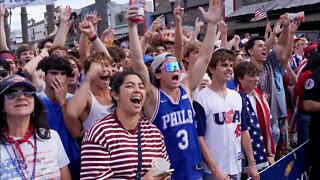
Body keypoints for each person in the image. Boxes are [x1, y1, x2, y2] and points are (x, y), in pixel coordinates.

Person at [128, 0, 222, 179]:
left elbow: (204, 58)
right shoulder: (153, 97)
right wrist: (133, 28)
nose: (176, 71)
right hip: (166, 173)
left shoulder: (186, 89)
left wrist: (212, 25)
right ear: (157, 75)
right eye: (170, 68)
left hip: (193, 169)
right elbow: (138, 63)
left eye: (177, 67)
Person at [81, 71, 170, 179]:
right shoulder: (100, 133)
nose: (137, 90)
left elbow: (166, 172)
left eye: (141, 87)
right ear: (115, 94)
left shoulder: (154, 133)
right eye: (130, 86)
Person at [193, 49, 259, 180]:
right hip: (213, 172)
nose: (229, 69)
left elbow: (244, 131)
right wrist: (215, 171)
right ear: (212, 69)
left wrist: (252, 163)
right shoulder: (200, 99)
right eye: (224, 65)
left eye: (230, 65)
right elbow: (199, 138)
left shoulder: (237, 96)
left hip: (236, 166)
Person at [0, 75, 71, 179]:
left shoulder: (52, 137)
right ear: (2, 105)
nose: (21, 97)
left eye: (28, 93)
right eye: (12, 93)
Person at [36, 55, 81, 179]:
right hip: (47, 163)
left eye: (62, 74)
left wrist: (63, 102)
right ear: (44, 76)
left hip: (75, 160)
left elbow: (75, 132)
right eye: (53, 73)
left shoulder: (74, 100)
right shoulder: (35, 102)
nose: (58, 78)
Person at [234, 61, 275, 167]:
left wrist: (268, 152)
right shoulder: (235, 98)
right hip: (242, 156)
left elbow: (267, 126)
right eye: (251, 75)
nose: (256, 78)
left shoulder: (260, 96)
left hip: (262, 150)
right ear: (240, 78)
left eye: (257, 75)